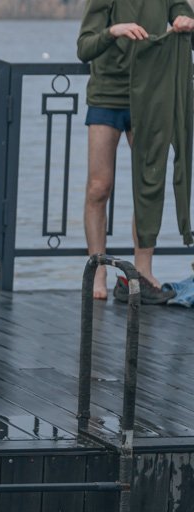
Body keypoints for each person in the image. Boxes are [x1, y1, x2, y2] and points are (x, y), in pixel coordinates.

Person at [77, 0, 193, 303]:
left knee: (148, 184)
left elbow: (185, 19)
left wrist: (184, 21)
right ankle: (97, 271)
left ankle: (141, 271)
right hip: (106, 95)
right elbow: (84, 48)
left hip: (150, 95)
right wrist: (114, 31)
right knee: (98, 187)